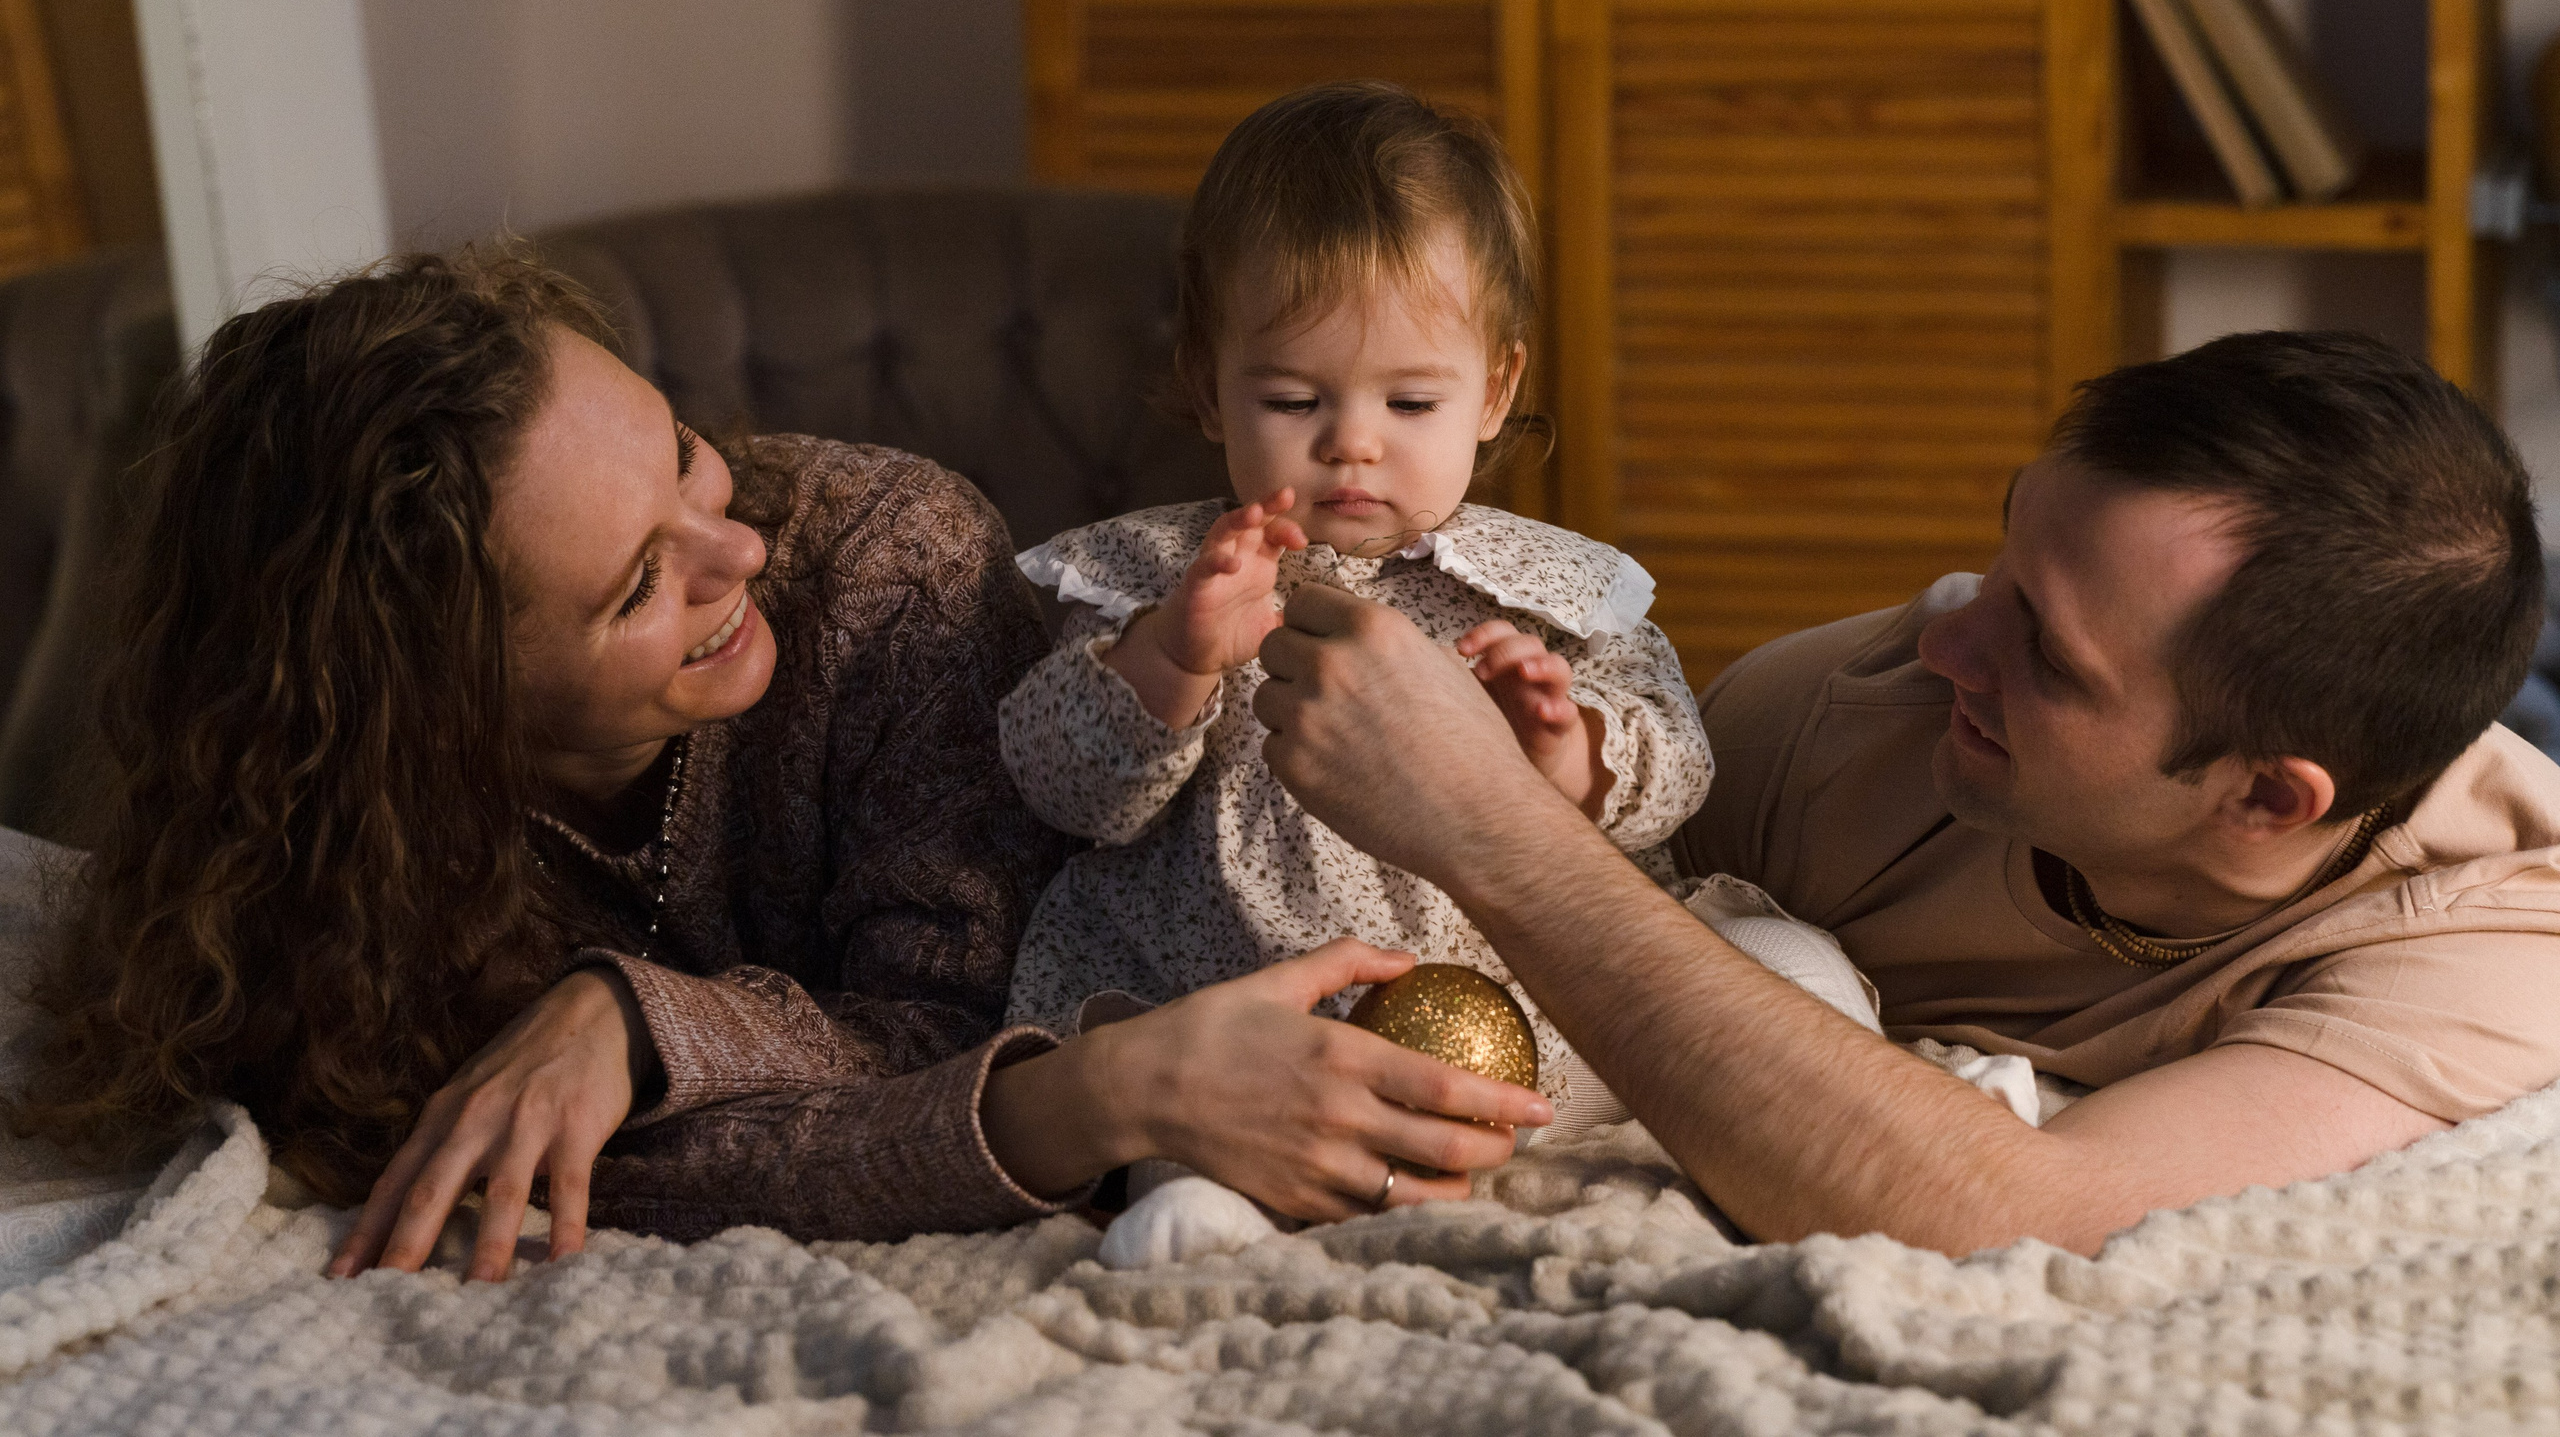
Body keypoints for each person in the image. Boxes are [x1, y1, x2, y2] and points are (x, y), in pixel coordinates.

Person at [7, 250, 1551, 1284]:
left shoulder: (883, 557)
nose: (736, 546)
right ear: (432, 709)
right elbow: (528, 1162)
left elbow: (965, 1020)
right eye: (639, 583)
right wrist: (639, 1051)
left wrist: (637, 1016)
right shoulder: (344, 857)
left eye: (685, 454)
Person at [1249, 329, 2560, 1255]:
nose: (1949, 642)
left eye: (2046, 653)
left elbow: (2031, 1214)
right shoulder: (1848, 712)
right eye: (2004, 558)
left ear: (2268, 800)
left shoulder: (2492, 947)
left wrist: (1500, 829)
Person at [999, 82, 1711, 1132]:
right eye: (1293, 401)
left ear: (1495, 391)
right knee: (1161, 1112)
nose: (1352, 443)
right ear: (1207, 385)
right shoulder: (1158, 576)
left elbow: (1683, 761)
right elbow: (1055, 788)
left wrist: (1570, 754)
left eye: (1411, 402)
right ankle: (1191, 1185)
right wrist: (1172, 660)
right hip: (1222, 1005)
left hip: (1506, 996)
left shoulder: (1546, 591)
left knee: (1749, 990)